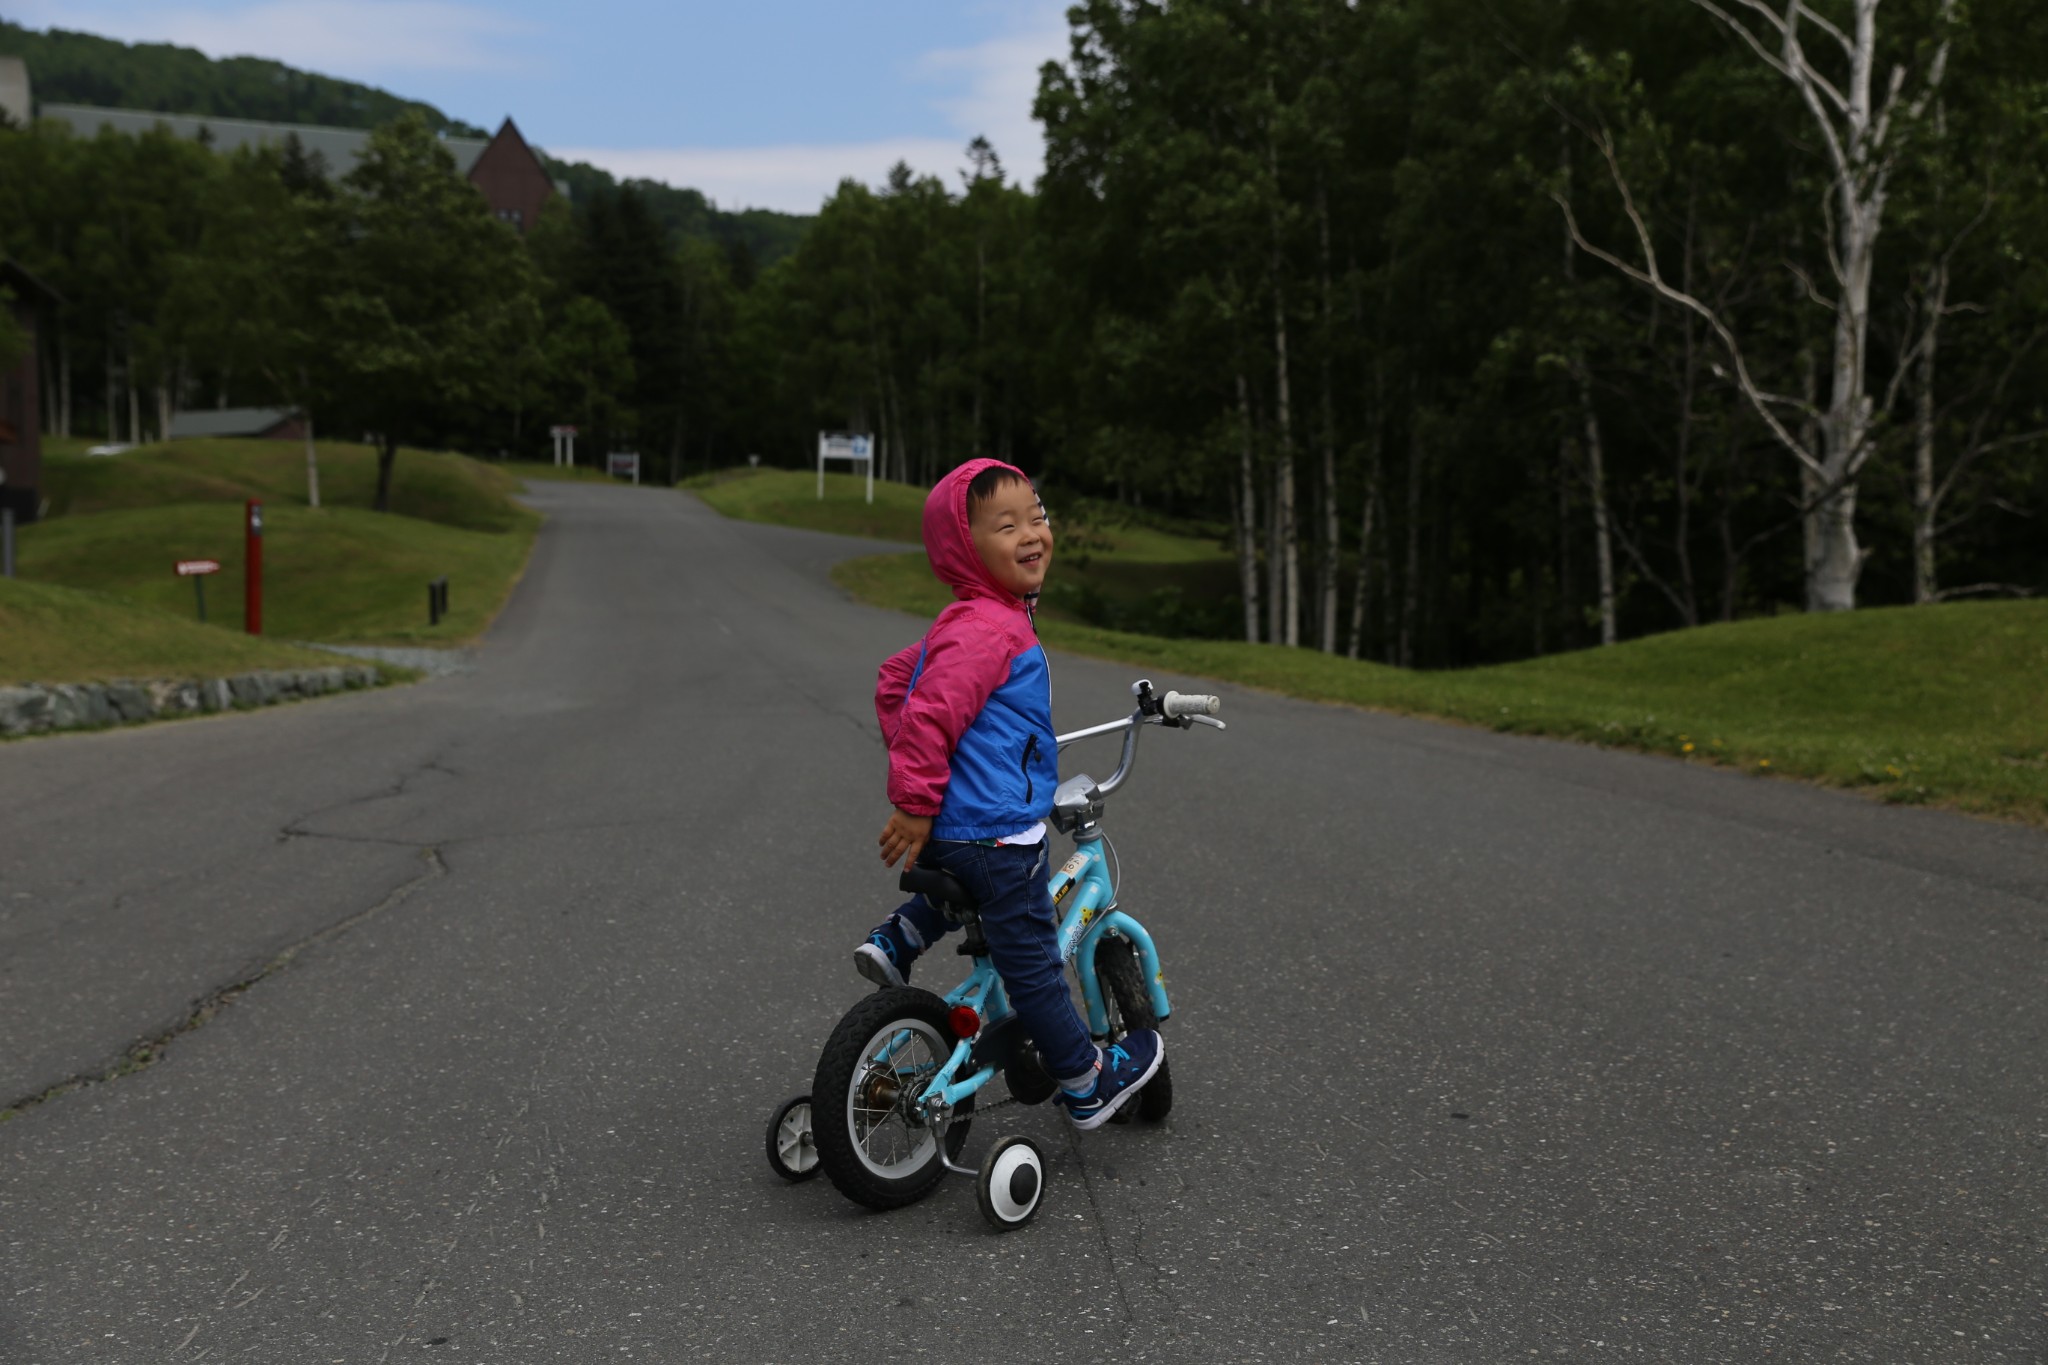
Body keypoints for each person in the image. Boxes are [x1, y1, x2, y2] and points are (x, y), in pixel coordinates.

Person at [855, 458, 1163, 1131]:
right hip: (995, 832)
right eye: (1006, 525)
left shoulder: (970, 619)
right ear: (967, 548)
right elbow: (931, 710)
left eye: (1038, 516)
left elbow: (893, 682)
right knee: (1034, 968)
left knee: (963, 883)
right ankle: (1086, 1083)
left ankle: (901, 934)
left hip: (958, 827)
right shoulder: (989, 629)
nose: (1032, 533)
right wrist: (915, 791)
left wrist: (940, 779)